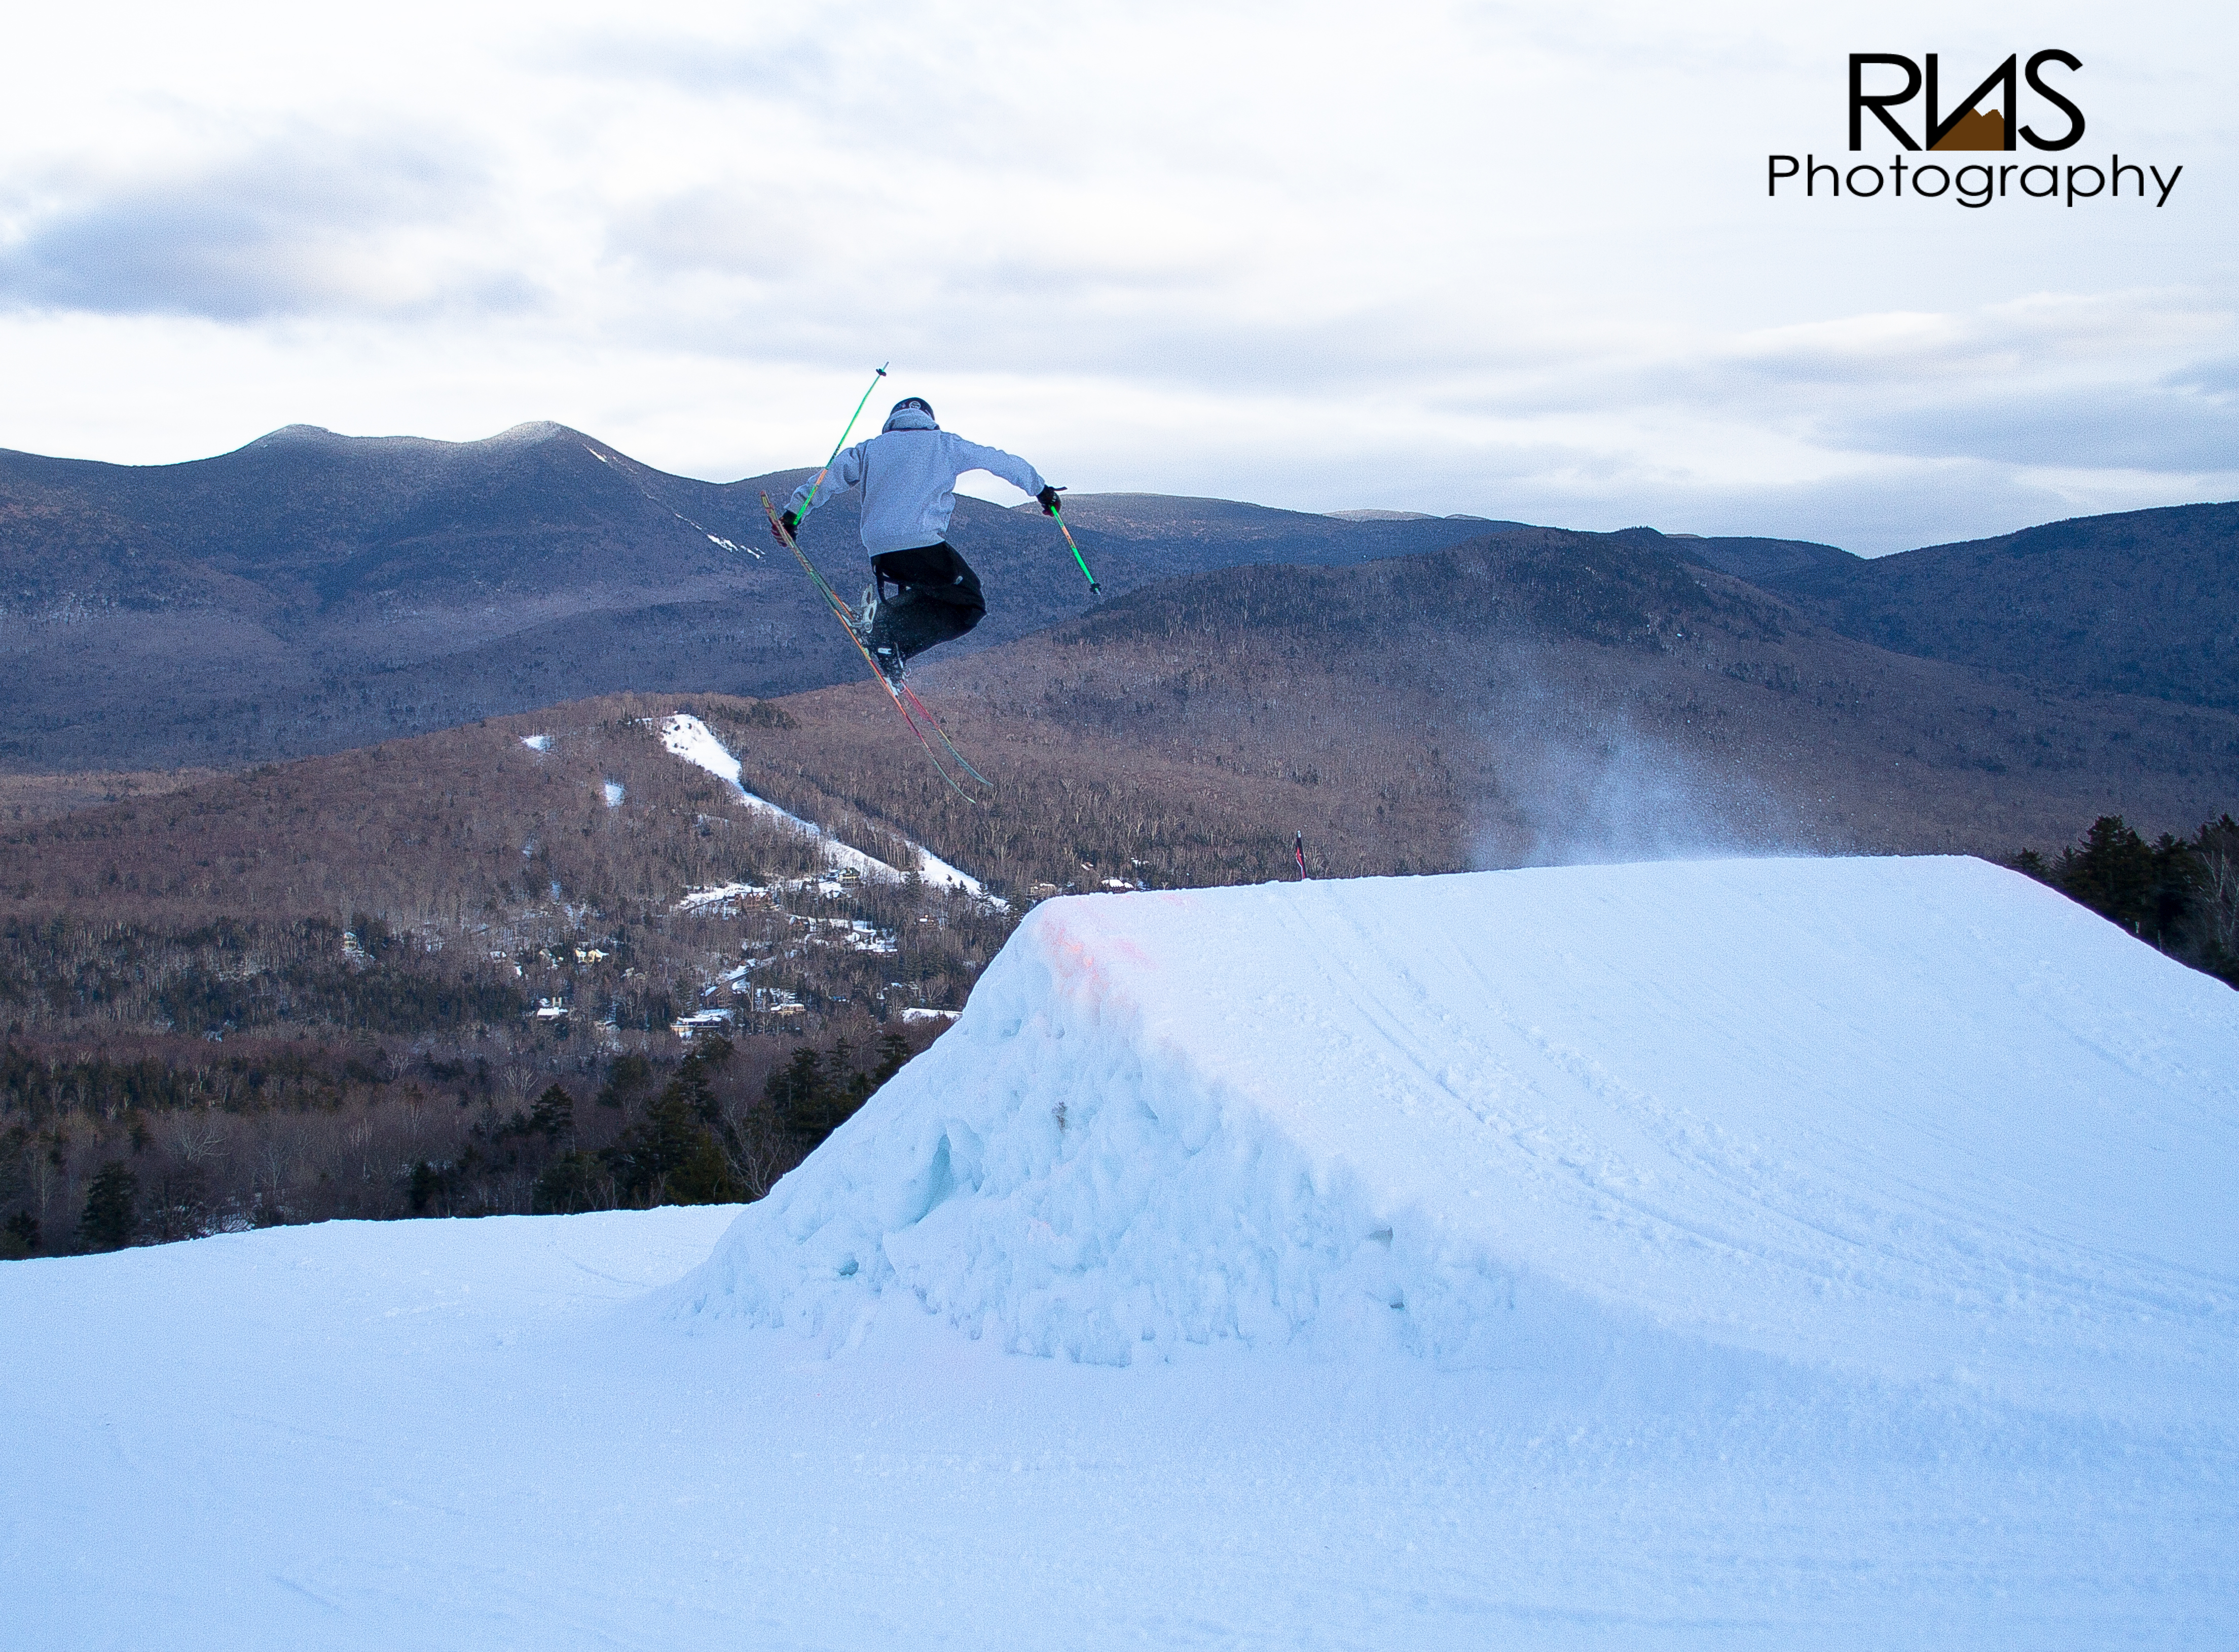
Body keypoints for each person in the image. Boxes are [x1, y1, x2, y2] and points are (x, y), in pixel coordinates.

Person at [777, 396, 1062, 680]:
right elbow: (1001, 461)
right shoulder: (946, 445)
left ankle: (885, 633)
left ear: (892, 421)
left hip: (880, 550)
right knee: (969, 604)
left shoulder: (870, 449)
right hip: (922, 542)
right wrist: (1041, 491)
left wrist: (793, 515)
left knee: (931, 592)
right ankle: (888, 641)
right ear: (929, 420)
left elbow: (828, 478)